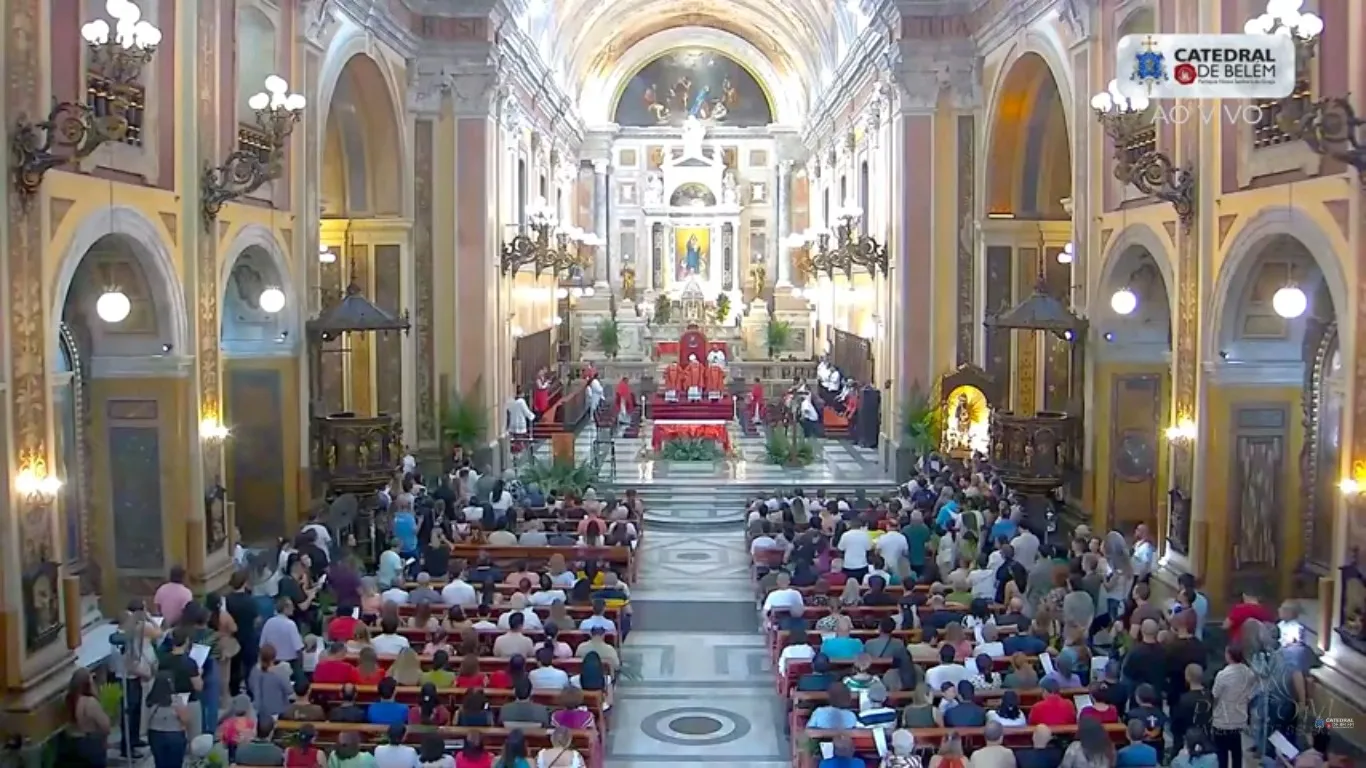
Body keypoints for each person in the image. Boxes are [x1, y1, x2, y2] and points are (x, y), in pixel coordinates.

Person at [1212, 647, 1255, 768]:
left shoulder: (1223, 675)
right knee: (1236, 750)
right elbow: (1251, 693)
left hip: (1222, 719)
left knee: (1222, 752)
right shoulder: (1249, 673)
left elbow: (1215, 695)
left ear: (1229, 656)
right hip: (1239, 717)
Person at [63, 668, 111, 767]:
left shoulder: (69, 700)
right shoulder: (90, 703)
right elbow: (105, 725)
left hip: (74, 744)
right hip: (92, 744)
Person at [145, 671, 191, 768]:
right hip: (174, 736)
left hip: (155, 735)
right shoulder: (176, 700)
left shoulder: (150, 701)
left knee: (160, 764)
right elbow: (185, 719)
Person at [248, 644, 295, 721]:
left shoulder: (254, 671)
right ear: (274, 657)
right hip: (278, 711)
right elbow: (289, 690)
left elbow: (251, 687)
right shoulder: (279, 673)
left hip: (259, 711)